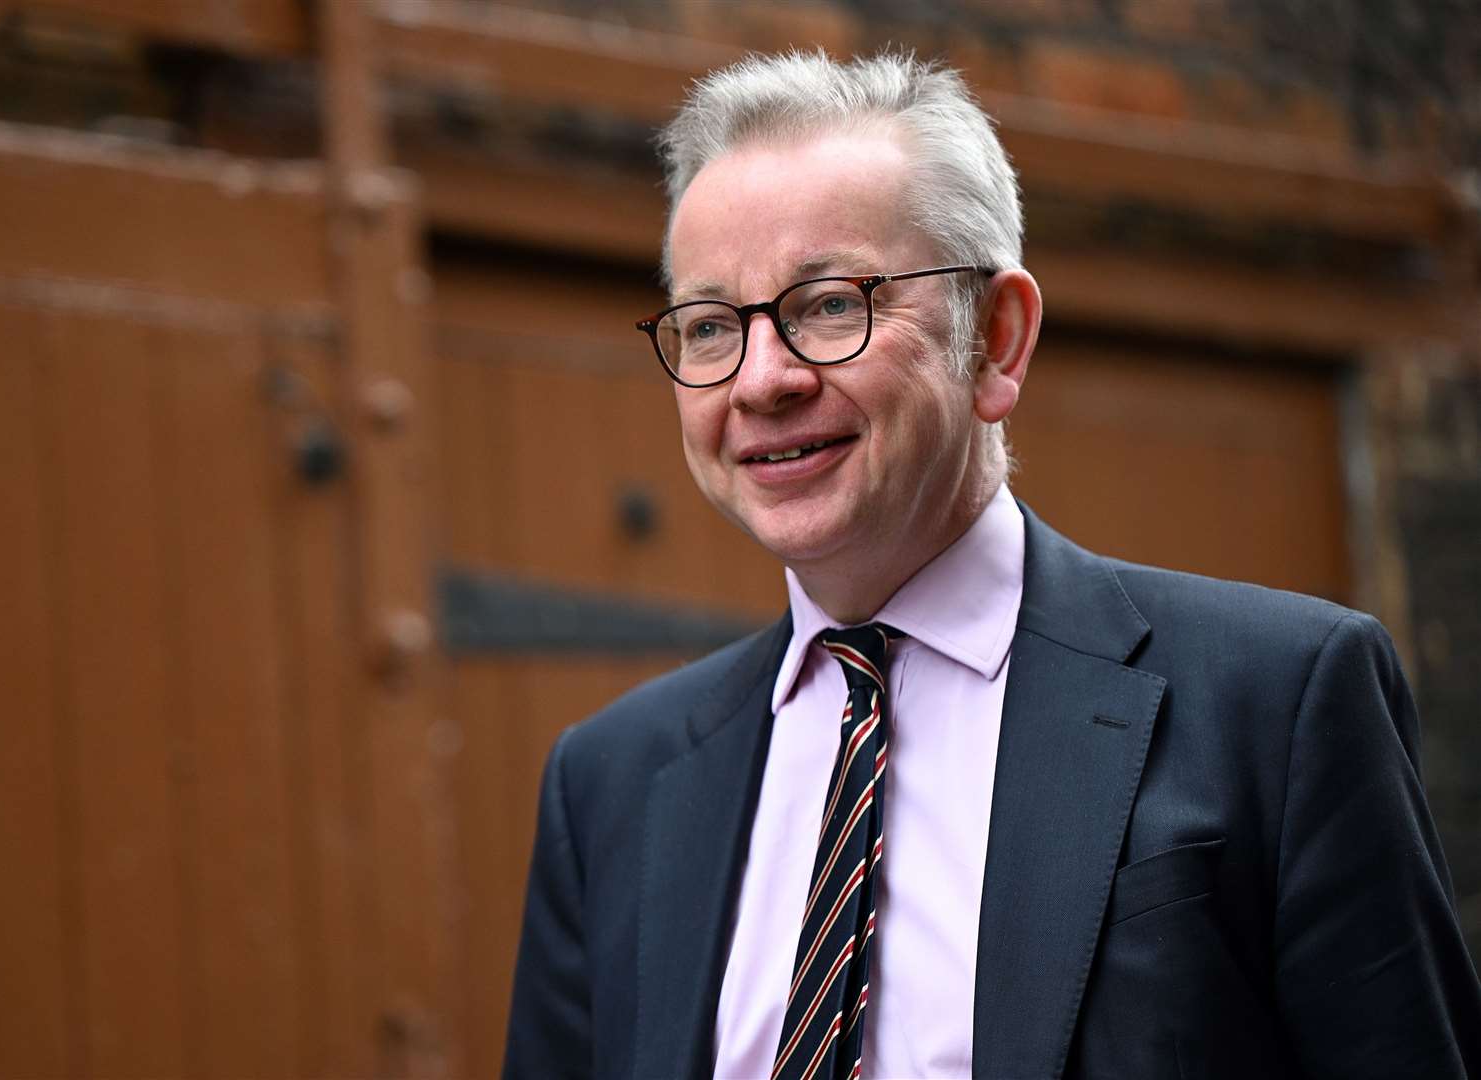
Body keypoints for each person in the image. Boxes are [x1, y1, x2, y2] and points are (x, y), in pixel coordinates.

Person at [502, 50, 1481, 1079]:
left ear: (997, 340)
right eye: (709, 327)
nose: (762, 379)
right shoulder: (609, 783)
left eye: (830, 305)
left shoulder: (1278, 700)